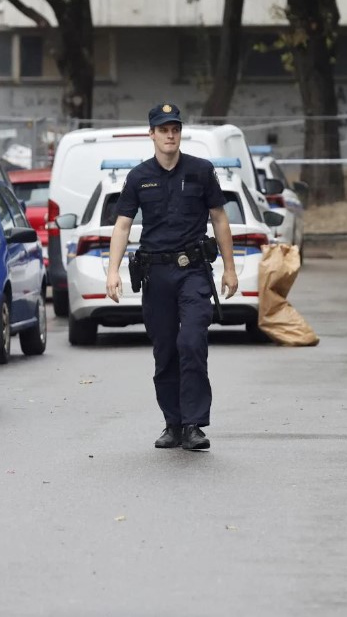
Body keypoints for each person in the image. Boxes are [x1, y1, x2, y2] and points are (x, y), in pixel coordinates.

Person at [105, 103, 238, 451]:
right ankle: (173, 422)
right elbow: (122, 225)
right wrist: (112, 272)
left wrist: (230, 267)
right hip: (156, 275)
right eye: (163, 129)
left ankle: (194, 424)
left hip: (193, 271)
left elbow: (220, 219)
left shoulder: (201, 171)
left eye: (175, 129)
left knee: (191, 343)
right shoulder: (138, 177)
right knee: (165, 351)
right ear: (151, 134)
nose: (169, 135)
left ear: (180, 133)